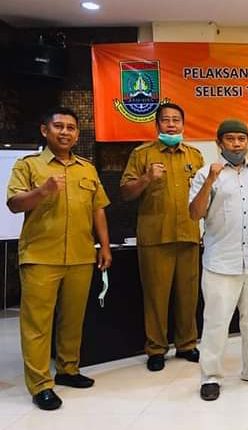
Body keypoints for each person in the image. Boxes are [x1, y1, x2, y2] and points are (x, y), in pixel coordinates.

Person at [6, 107, 112, 410]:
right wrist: (42, 191)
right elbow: (14, 203)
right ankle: (40, 384)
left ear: (77, 134)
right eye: (59, 126)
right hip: (40, 256)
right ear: (45, 130)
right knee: (37, 324)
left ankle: (68, 369)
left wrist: (104, 247)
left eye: (71, 128)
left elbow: (98, 208)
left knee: (72, 319)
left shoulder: (86, 169)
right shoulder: (28, 165)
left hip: (80, 255)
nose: (65, 132)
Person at [189, 119, 248, 401]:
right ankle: (210, 377)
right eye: (230, 139)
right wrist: (210, 181)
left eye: (242, 139)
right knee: (216, 322)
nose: (237, 144)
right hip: (221, 262)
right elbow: (195, 214)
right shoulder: (205, 174)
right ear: (219, 143)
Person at [120, 103, 204, 371]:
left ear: (183, 125)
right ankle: (156, 349)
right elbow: (126, 193)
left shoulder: (194, 156)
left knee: (188, 295)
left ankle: (187, 344)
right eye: (166, 120)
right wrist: (146, 178)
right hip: (155, 237)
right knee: (156, 296)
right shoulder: (142, 154)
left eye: (176, 120)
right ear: (157, 125)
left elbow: (204, 195)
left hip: (188, 235)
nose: (171, 125)